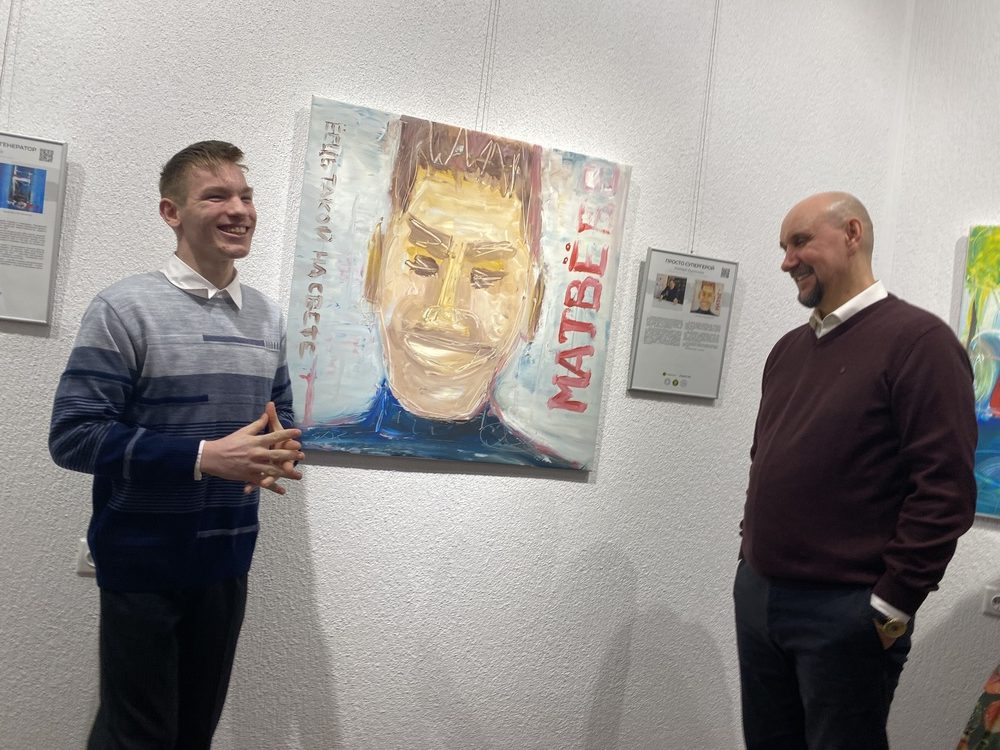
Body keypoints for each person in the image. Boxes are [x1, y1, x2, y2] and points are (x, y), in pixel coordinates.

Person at [49, 141, 303, 749]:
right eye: (216, 196)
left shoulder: (268, 318)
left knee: (194, 736)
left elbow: (283, 420)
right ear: (172, 212)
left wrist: (281, 451)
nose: (239, 209)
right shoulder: (123, 308)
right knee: (135, 738)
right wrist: (205, 458)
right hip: (140, 561)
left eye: (246, 195)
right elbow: (74, 435)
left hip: (227, 561)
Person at [734, 191, 977, 750]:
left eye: (800, 242)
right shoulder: (787, 350)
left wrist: (891, 605)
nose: (787, 261)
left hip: (844, 612)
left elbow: (944, 490)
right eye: (783, 247)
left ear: (851, 234)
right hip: (761, 597)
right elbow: (763, 459)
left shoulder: (921, 344)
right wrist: (749, 559)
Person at [303, 118, 574, 468]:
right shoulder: (310, 450)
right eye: (422, 262)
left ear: (533, 304)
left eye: (487, 275)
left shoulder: (543, 471)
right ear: (374, 268)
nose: (446, 311)